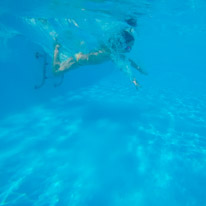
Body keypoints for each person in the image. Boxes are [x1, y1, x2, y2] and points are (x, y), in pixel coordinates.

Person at [53, 18, 147, 88]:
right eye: (128, 47)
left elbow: (127, 61)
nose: (128, 50)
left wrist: (138, 69)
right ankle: (56, 48)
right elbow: (124, 66)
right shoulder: (110, 53)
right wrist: (134, 80)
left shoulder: (110, 50)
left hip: (82, 54)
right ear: (120, 44)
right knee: (56, 72)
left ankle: (65, 39)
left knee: (78, 45)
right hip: (77, 60)